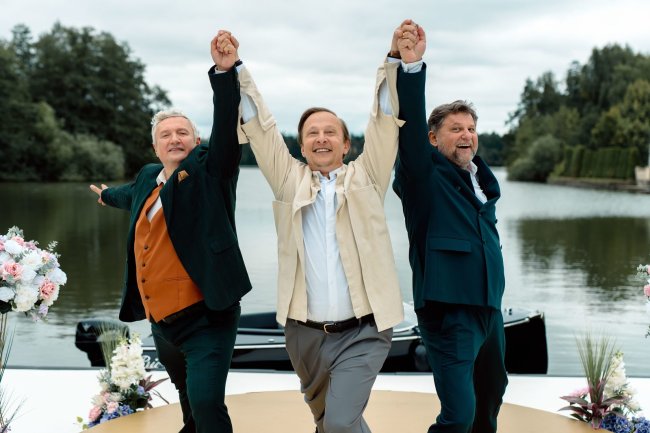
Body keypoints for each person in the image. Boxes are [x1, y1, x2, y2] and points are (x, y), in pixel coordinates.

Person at [210, 23, 422, 433]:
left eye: (330, 133)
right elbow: (260, 126)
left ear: (346, 144)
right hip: (303, 335)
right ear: (302, 145)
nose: (321, 139)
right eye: (312, 134)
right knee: (328, 422)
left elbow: (383, 120)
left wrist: (394, 60)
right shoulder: (288, 181)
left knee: (340, 422)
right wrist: (233, 69)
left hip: (363, 331)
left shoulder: (367, 177)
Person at [89, 37, 252, 433]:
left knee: (207, 402)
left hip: (207, 317)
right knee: (187, 396)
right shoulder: (149, 176)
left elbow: (226, 130)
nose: (175, 138)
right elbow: (131, 194)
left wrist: (225, 74)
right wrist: (107, 196)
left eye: (183, 132)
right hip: (162, 323)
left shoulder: (210, 172)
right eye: (166, 134)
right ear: (155, 146)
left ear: (196, 142)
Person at [392, 24, 508, 433]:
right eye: (456, 129)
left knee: (490, 397)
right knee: (458, 416)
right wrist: (410, 68)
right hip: (449, 313)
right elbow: (407, 135)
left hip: (489, 310)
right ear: (433, 138)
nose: (466, 135)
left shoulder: (481, 182)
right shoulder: (423, 178)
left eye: (471, 128)